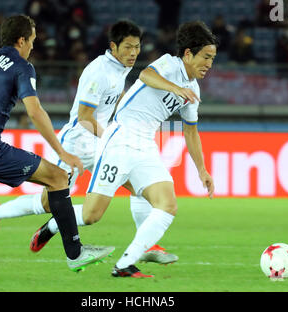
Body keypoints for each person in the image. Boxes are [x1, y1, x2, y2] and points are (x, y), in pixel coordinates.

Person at [0, 20, 178, 265]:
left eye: (137, 47)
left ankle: (147, 245)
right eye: (127, 47)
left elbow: (113, 99)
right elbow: (84, 118)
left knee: (140, 185)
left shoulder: (119, 68)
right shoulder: (99, 71)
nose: (133, 53)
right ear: (113, 46)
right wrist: (112, 138)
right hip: (77, 145)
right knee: (47, 203)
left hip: (101, 144)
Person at [0, 14, 113, 272]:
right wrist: (62, 151)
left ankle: (74, 252)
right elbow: (35, 111)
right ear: (21, 40)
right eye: (32, 40)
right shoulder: (20, 66)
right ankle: (75, 254)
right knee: (57, 177)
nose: (33, 46)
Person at [52, 20, 217, 278]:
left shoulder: (193, 89)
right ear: (188, 54)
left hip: (145, 145)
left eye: (212, 58)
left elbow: (190, 131)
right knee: (92, 214)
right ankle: (52, 225)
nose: (209, 64)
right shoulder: (169, 65)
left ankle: (126, 263)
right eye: (206, 57)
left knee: (167, 204)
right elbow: (145, 75)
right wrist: (176, 88)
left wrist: (202, 170)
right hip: (119, 138)